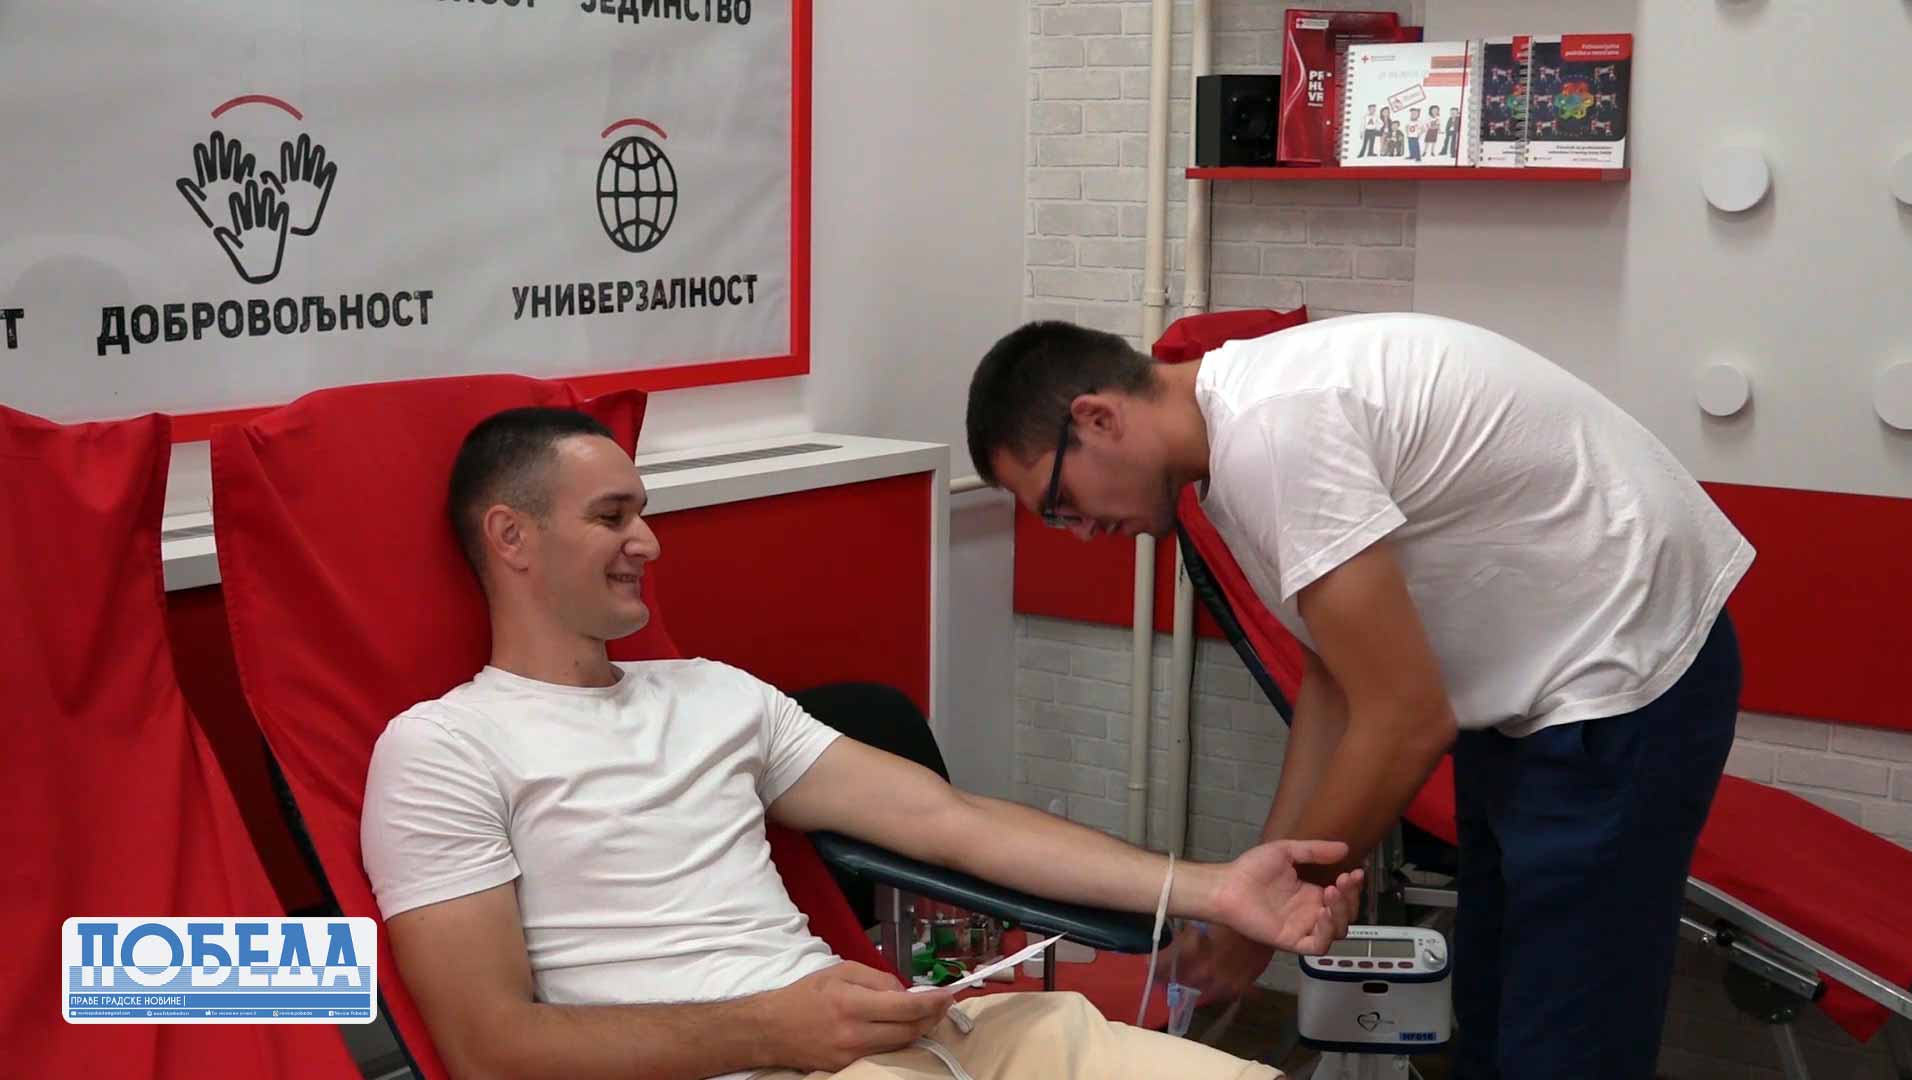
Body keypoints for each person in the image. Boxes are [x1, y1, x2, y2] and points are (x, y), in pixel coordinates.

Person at [362, 407, 1367, 1080]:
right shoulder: (445, 749)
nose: (649, 542)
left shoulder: (715, 694)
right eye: (611, 516)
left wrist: (1216, 889)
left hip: (918, 1040)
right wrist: (772, 1027)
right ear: (511, 537)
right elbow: (490, 1046)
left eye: (645, 513)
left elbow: (950, 820)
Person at [963, 312, 1754, 1079]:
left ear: (1097, 418)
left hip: (1622, 670)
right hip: (1540, 680)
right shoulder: (1233, 448)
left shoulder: (1273, 432)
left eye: (1060, 503)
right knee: (1490, 1004)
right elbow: (1334, 684)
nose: (1078, 532)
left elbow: (1406, 720)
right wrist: (1251, 893)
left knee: (1563, 1041)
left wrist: (1262, 925)